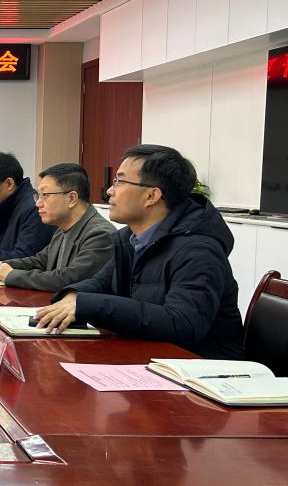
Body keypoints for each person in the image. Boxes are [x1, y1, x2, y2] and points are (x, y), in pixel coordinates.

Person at [35, 145, 245, 360]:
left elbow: (182, 323)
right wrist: (74, 295)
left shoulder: (198, 250)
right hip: (151, 357)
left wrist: (87, 305)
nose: (109, 191)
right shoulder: (131, 237)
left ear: (151, 196)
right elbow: (103, 282)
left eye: (120, 182)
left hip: (198, 369)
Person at [0, 163, 115, 292]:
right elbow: (39, 261)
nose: (38, 203)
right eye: (38, 196)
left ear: (71, 198)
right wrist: (3, 265)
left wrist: (10, 275)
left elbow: (68, 279)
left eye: (45, 195)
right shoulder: (62, 229)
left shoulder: (100, 234)